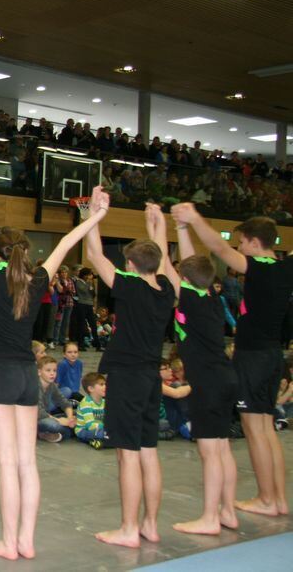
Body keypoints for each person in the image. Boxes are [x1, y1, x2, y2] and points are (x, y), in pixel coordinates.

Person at [0, 151, 109, 560]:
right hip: (27, 375)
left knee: (6, 464)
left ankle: (8, 541)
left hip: (0, 374)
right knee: (27, 463)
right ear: (26, 248)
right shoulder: (40, 276)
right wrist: (95, 217)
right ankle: (28, 541)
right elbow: (70, 241)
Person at [171, 204, 291, 518]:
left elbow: (218, 247)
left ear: (253, 242)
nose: (239, 248)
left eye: (242, 243)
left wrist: (194, 219)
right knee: (266, 429)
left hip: (252, 357)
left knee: (255, 429)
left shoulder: (259, 267)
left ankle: (267, 498)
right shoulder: (282, 267)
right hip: (273, 355)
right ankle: (277, 498)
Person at [85, 202, 179, 548]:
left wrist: (94, 215)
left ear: (130, 266)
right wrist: (158, 224)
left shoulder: (129, 285)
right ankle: (150, 525)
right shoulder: (166, 289)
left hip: (127, 377)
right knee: (149, 451)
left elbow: (95, 255)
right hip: (152, 378)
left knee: (127, 454)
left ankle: (128, 528)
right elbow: (163, 260)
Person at [170, 226, 241, 535]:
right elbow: (193, 263)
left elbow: (164, 267)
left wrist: (158, 230)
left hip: (209, 383)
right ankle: (228, 511)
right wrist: (181, 228)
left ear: (185, 280)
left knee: (210, 452)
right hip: (225, 377)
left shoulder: (191, 298)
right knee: (223, 448)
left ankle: (210, 518)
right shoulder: (211, 292)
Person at [36, 355, 75, 442]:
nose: (52, 373)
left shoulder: (51, 385)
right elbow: (40, 413)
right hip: (35, 419)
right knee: (53, 425)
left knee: (77, 417)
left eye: (54, 370)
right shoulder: (35, 386)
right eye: (48, 370)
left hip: (46, 415)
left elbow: (64, 402)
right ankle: (41, 433)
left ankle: (58, 434)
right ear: (39, 372)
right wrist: (59, 420)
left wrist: (70, 418)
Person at [75, 372, 107, 449]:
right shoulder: (86, 403)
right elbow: (90, 425)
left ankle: (102, 441)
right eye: (101, 384)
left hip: (100, 429)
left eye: (105, 384)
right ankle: (93, 440)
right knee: (102, 433)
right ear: (91, 389)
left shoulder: (104, 402)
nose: (105, 387)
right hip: (84, 431)